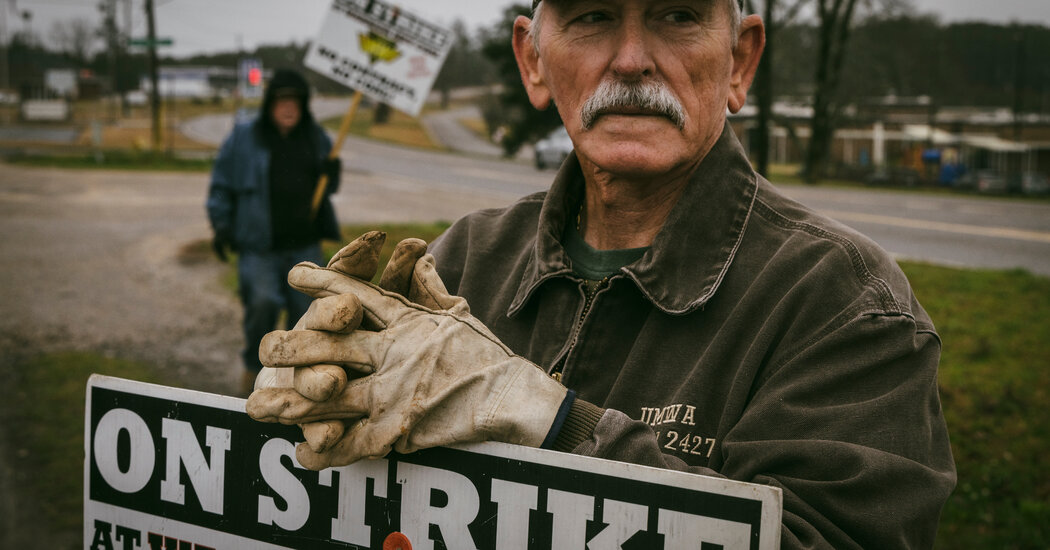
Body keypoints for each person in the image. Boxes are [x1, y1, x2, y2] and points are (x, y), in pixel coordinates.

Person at [247, 1, 956, 547]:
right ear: (532, 60)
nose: (630, 60)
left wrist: (550, 422)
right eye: (592, 17)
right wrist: (321, 405)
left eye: (677, 15)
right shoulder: (463, 257)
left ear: (740, 62)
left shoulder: (845, 302)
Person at [206, 68, 342, 396]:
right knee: (262, 303)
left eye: (295, 101)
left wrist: (332, 173)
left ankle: (297, 387)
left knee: (305, 318)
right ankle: (254, 371)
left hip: (304, 246)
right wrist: (221, 225)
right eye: (282, 100)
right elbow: (221, 184)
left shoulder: (316, 137)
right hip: (258, 246)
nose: (289, 107)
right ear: (270, 103)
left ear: (304, 105)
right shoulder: (244, 137)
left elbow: (329, 187)